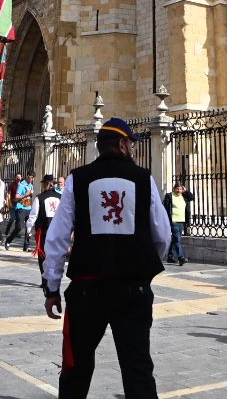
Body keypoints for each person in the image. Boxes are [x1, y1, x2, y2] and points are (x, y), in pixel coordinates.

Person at [43, 118, 170, 399]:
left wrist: (52, 288)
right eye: (132, 144)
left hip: (88, 290)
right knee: (137, 368)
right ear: (123, 145)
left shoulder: (78, 178)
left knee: (76, 367)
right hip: (132, 290)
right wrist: (141, 266)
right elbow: (163, 236)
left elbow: (57, 239)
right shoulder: (143, 178)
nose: (133, 150)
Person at [30, 173, 62, 280]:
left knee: (43, 255)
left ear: (46, 184)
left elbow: (33, 216)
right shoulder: (60, 197)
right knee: (55, 255)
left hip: (44, 231)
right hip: (58, 232)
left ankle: (45, 279)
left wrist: (30, 230)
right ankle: (52, 277)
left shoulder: (39, 198)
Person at [162, 178, 193, 266]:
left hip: (182, 221)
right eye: (177, 189)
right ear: (174, 188)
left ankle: (170, 257)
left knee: (175, 239)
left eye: (180, 189)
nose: (179, 190)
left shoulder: (183, 196)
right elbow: (164, 207)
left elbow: (192, 197)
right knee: (177, 239)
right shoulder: (169, 196)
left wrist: (186, 191)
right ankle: (181, 257)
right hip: (173, 221)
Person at [6, 170, 35, 250]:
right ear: (27, 176)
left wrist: (31, 194)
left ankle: (26, 246)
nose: (31, 179)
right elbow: (17, 196)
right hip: (21, 208)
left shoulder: (31, 185)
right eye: (30, 177)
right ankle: (8, 240)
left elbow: (29, 196)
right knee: (19, 228)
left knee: (28, 227)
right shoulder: (21, 185)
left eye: (32, 178)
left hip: (28, 208)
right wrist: (26, 194)